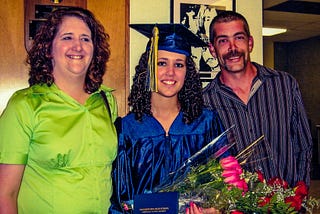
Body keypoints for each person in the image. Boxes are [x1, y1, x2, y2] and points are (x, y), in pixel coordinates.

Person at [0, 7, 118, 213]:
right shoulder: (24, 105)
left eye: (85, 39)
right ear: (48, 48)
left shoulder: (106, 101)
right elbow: (5, 194)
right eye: (67, 37)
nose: (78, 46)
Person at [109, 23, 229, 213]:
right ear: (148, 68)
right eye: (162, 63)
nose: (170, 72)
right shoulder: (127, 129)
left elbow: (228, 183)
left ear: (187, 72)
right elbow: (118, 199)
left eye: (179, 64)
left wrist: (215, 209)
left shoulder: (206, 123)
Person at [203, 10, 313, 187]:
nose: (232, 48)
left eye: (239, 38)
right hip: (238, 208)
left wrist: (299, 195)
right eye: (223, 41)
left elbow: (303, 147)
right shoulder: (205, 102)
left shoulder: (284, 84)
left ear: (250, 43)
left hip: (287, 206)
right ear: (212, 50)